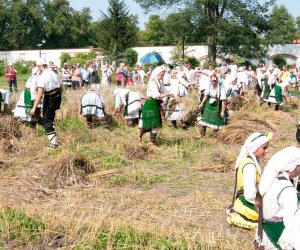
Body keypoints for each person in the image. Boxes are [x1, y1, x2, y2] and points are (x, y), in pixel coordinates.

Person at [255, 146, 300, 250]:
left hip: (264, 236)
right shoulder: (288, 190)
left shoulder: (269, 180)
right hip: (278, 238)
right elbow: (292, 226)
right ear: (294, 166)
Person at [227, 132, 271, 229]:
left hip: (251, 200)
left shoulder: (252, 161)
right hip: (248, 204)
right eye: (264, 148)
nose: (266, 151)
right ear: (255, 147)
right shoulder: (249, 166)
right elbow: (250, 194)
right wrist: (267, 203)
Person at [30, 58, 62, 148]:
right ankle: (54, 140)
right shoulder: (53, 73)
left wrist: (34, 107)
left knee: (47, 120)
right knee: (50, 118)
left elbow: (40, 94)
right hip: (57, 96)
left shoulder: (42, 76)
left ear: (40, 66)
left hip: (49, 98)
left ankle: (53, 145)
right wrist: (59, 97)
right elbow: (61, 85)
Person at [139, 66, 173, 145]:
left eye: (163, 75)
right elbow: (157, 96)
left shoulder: (159, 82)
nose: (163, 76)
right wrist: (167, 94)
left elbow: (166, 91)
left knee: (154, 125)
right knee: (151, 125)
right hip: (150, 105)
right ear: (156, 74)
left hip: (155, 105)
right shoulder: (153, 83)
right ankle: (150, 142)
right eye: (161, 75)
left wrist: (174, 95)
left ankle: (151, 143)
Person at [197, 74, 227, 138]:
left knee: (216, 120)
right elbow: (206, 96)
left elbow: (223, 100)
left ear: (216, 81)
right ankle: (202, 134)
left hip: (217, 105)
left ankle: (216, 136)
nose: (212, 82)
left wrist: (222, 111)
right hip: (209, 104)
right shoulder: (210, 86)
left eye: (213, 81)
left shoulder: (221, 88)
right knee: (205, 118)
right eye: (211, 81)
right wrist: (201, 104)